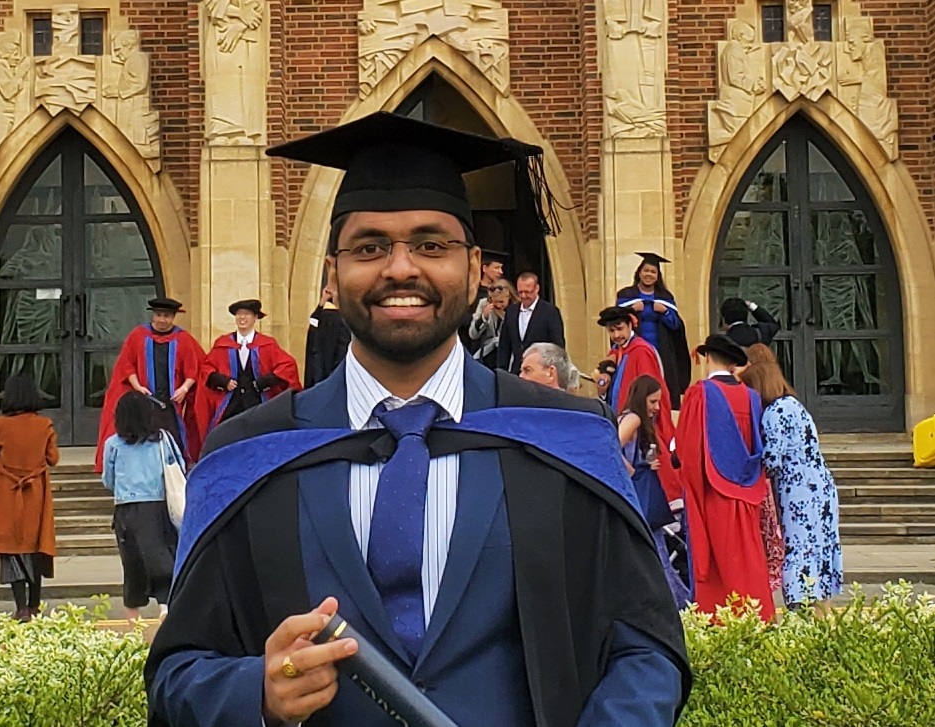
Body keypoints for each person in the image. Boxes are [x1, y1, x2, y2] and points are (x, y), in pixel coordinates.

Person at [145, 111, 690, 727]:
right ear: (333, 273)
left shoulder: (565, 440)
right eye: (370, 246)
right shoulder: (250, 454)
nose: (401, 268)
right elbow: (177, 672)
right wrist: (257, 693)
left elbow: (647, 648)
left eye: (431, 244)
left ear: (475, 264)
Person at [675, 334, 775, 621]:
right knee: (748, 557)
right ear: (734, 364)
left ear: (708, 358)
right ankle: (758, 618)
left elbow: (688, 449)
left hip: (713, 492)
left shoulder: (700, 393)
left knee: (718, 560)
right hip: (748, 490)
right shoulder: (751, 397)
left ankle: (720, 623)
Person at [739, 344, 843, 610]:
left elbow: (772, 460)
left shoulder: (775, 413)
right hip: (819, 485)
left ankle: (802, 612)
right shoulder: (794, 405)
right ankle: (822, 615)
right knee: (817, 552)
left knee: (798, 549)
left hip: (798, 492)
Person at [0, 374, 59, 621]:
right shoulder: (44, 424)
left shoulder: (0, 424)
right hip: (35, 494)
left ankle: (20, 607)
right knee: (35, 548)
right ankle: (35, 605)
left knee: (11, 550)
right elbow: (53, 458)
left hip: (7, 494)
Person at [95, 298, 206, 472]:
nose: (162, 320)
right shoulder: (138, 335)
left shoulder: (183, 339)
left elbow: (195, 367)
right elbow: (127, 365)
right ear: (153, 315)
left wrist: (184, 388)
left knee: (173, 437)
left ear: (173, 317)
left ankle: (175, 473)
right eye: (159, 315)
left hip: (170, 402)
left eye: (167, 316)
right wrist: (137, 386)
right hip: (144, 400)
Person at [102, 391, 182, 622]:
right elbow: (177, 465)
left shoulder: (113, 445)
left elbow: (108, 479)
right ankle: (166, 606)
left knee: (132, 562)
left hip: (126, 509)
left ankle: (132, 619)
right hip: (157, 506)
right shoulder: (162, 439)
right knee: (162, 555)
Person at [617, 375, 691, 609]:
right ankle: (681, 606)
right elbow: (611, 445)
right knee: (659, 556)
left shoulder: (628, 417)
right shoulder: (634, 419)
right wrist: (633, 471)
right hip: (641, 497)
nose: (657, 408)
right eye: (653, 402)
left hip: (636, 496)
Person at [593, 305, 679, 501]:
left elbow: (652, 393)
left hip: (640, 427)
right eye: (611, 330)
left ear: (631, 325)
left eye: (619, 328)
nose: (616, 335)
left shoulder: (641, 351)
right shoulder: (617, 352)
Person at [196, 299, 303, 437]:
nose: (242, 318)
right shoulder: (223, 343)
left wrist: (265, 382)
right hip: (230, 404)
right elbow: (206, 368)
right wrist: (223, 381)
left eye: (247, 314)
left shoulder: (267, 344)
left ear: (255, 318)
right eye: (239, 314)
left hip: (258, 402)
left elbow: (288, 366)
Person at [616, 253, 691, 408]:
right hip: (634, 349)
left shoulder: (665, 297)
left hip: (661, 350)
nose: (649, 275)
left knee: (660, 383)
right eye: (646, 270)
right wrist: (631, 309)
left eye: (653, 272)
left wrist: (665, 312)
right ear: (639, 272)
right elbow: (616, 320)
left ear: (658, 276)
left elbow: (676, 326)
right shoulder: (626, 295)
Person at [496, 271, 566, 373]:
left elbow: (557, 346)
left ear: (537, 289)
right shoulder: (511, 312)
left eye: (528, 292)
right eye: (520, 292)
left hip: (540, 373)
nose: (523, 296)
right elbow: (504, 345)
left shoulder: (550, 312)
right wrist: (501, 371)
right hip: (517, 373)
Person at [305, 288, 352, 388]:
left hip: (319, 374)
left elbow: (312, 324)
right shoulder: (342, 321)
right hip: (330, 374)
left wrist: (321, 304)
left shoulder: (323, 319)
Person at [467, 278, 514, 369]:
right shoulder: (484, 304)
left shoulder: (516, 308)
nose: (498, 305)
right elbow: (473, 334)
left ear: (509, 297)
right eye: (495, 302)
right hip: (488, 353)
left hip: (509, 354)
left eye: (501, 302)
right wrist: (483, 318)